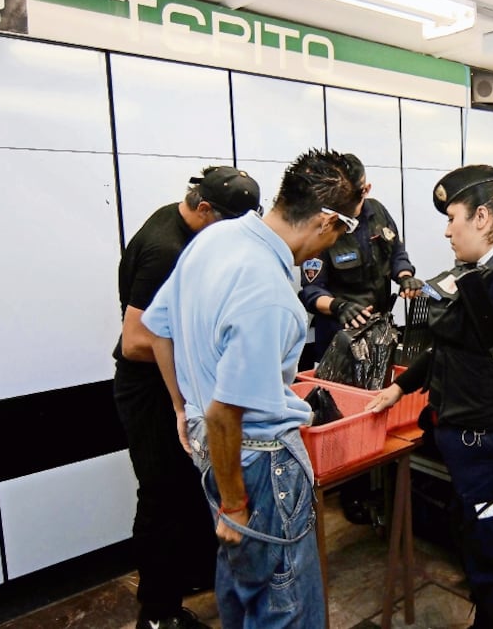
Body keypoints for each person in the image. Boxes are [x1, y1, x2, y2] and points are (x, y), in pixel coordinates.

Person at [142, 149, 363, 629]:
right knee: (285, 604)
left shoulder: (216, 236)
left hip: (212, 450)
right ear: (327, 221)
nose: (331, 248)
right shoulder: (272, 296)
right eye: (341, 232)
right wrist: (235, 502)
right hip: (259, 466)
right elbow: (227, 413)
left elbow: (156, 329)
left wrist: (182, 407)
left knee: (241, 585)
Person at [365, 165, 493, 628]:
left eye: (452, 217)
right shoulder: (481, 272)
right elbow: (452, 348)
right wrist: (400, 386)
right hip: (473, 448)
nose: (446, 230)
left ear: (481, 217)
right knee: (482, 554)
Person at [113, 165, 261, 629]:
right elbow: (135, 340)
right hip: (151, 392)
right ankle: (156, 615)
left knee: (189, 494)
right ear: (202, 208)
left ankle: (187, 580)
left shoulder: (186, 227)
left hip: (177, 385)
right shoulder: (166, 249)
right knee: (163, 498)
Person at [299, 153, 423, 364]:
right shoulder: (325, 224)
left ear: (366, 189)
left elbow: (396, 252)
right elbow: (312, 289)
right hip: (339, 336)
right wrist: (338, 306)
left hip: (380, 331)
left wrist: (404, 276)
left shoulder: (377, 211)